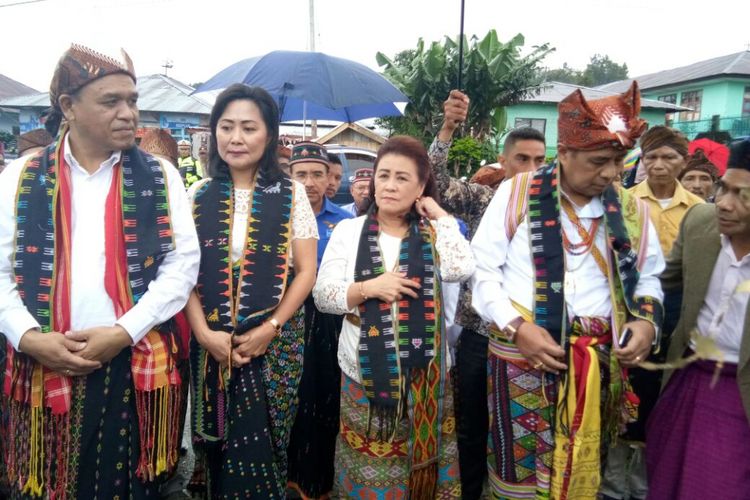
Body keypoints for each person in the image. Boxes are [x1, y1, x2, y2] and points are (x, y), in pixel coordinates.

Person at [0, 43, 200, 498]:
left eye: (132, 100)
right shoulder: (21, 176)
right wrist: (29, 336)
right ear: (68, 107)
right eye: (112, 101)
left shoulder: (161, 175)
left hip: (132, 361)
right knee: (47, 485)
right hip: (42, 361)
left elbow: (182, 266)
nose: (129, 113)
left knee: (130, 484)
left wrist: (124, 331)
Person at [471, 82, 665, 500]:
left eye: (618, 161)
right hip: (522, 356)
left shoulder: (631, 210)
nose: (611, 173)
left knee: (584, 467)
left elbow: (649, 279)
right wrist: (517, 326)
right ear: (565, 154)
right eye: (599, 161)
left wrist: (646, 323)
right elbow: (482, 271)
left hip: (598, 361)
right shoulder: (516, 192)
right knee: (517, 471)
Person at [314, 136, 474, 498]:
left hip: (427, 374)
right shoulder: (349, 231)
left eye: (402, 178)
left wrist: (440, 214)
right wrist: (371, 287)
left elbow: (460, 268)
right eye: (383, 175)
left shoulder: (435, 234)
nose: (389, 185)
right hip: (364, 371)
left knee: (422, 466)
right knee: (367, 464)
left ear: (421, 186)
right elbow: (324, 296)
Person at [185, 84, 318, 498]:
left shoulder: (291, 195)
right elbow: (182, 276)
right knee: (217, 444)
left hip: (272, 344)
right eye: (226, 127)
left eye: (248, 127)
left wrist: (270, 328)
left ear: (269, 135)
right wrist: (204, 335)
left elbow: (306, 271)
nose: (236, 138)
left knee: (266, 445)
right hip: (211, 341)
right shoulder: (197, 195)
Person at [428, 89, 547, 500]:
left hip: (532, 338)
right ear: (504, 159)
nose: (531, 168)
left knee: (526, 428)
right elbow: (435, 181)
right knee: (472, 423)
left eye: (539, 161)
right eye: (522, 159)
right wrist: (447, 127)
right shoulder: (483, 196)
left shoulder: (555, 206)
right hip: (480, 332)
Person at [646, 138, 750, 500]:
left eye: (741, 194)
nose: (723, 202)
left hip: (740, 388)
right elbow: (660, 282)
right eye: (724, 188)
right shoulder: (701, 223)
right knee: (664, 475)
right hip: (687, 376)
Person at [285, 141, 352, 499]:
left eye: (317, 174)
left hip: (330, 325)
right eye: (301, 174)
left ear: (330, 178)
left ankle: (321, 481)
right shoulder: (277, 217)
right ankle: (288, 476)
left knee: (326, 399)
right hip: (287, 319)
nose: (309, 182)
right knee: (291, 399)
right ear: (290, 177)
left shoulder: (345, 223)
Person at [628, 126, 704, 256]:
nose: (658, 166)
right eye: (651, 157)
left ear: (685, 161)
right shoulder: (624, 201)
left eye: (668, 158)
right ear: (642, 160)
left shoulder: (698, 208)